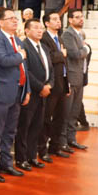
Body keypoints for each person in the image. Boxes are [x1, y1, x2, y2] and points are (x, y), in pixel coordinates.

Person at [0, 8, 30, 183]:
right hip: (2, 91)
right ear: (1, 22)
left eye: (15, 18)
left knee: (10, 131)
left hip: (17, 90)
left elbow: (24, 67)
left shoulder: (17, 40)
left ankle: (6, 163)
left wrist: (27, 89)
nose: (15, 21)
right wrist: (19, 55)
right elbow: (3, 60)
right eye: (10, 19)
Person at [14, 19, 53, 172]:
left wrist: (49, 85)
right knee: (25, 126)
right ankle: (21, 158)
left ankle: (32, 156)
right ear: (27, 31)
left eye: (41, 28)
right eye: (35, 28)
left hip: (44, 92)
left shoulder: (44, 47)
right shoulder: (24, 46)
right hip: (31, 91)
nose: (39, 30)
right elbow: (27, 71)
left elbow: (50, 69)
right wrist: (40, 87)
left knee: (37, 126)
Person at [41, 12, 71, 158]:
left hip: (62, 82)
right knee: (47, 117)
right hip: (52, 83)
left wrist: (68, 83)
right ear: (47, 23)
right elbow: (47, 58)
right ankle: (42, 149)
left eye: (59, 19)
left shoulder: (60, 38)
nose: (58, 22)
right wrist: (61, 54)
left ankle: (55, 146)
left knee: (61, 116)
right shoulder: (44, 38)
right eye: (54, 19)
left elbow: (65, 63)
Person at [60, 9, 90, 152]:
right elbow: (74, 54)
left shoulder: (78, 35)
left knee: (75, 111)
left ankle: (71, 139)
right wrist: (85, 49)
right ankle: (62, 141)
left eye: (82, 17)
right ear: (70, 20)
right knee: (66, 112)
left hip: (79, 77)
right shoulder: (68, 34)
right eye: (77, 17)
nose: (81, 19)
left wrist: (84, 50)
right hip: (71, 77)